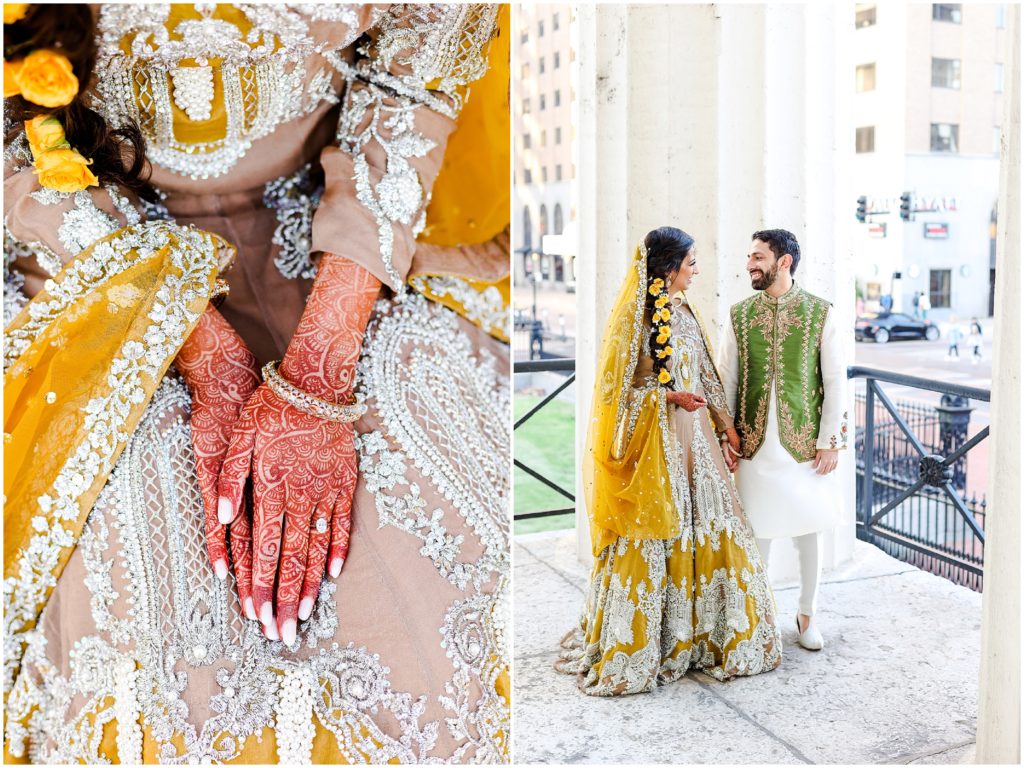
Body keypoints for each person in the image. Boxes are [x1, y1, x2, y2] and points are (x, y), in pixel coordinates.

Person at [3, 4, 511, 763]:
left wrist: (319, 367)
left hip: (338, 238)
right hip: (87, 243)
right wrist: (196, 342)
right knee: (145, 583)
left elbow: (416, 72)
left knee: (440, 551)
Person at [555, 226, 782, 696]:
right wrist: (664, 397)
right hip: (656, 447)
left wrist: (726, 426)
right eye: (691, 262)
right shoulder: (634, 319)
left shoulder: (687, 311)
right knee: (657, 535)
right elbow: (616, 396)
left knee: (721, 525)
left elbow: (705, 373)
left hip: (696, 442)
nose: (697, 270)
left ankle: (710, 636)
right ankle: (652, 641)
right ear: (668, 267)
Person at [718, 229, 847, 652]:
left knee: (810, 532)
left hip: (806, 447)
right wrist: (726, 435)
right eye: (749, 256)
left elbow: (834, 381)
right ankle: (760, 616)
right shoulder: (739, 315)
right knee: (757, 535)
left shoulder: (820, 313)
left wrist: (831, 440)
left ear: (784, 261)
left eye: (757, 256)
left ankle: (807, 613)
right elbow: (728, 380)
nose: (750, 264)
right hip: (753, 445)